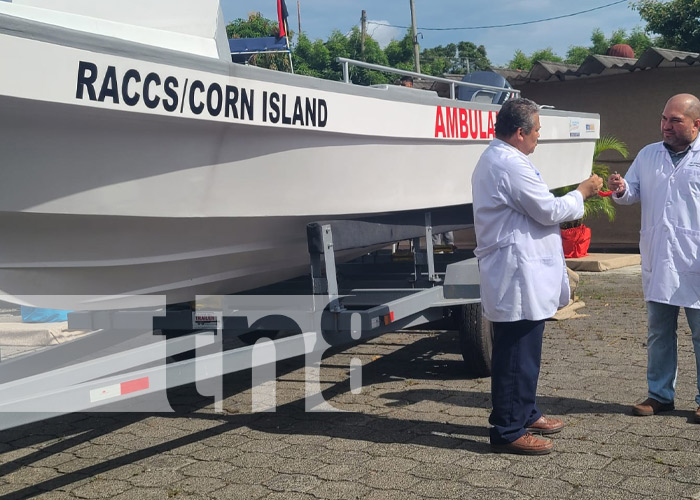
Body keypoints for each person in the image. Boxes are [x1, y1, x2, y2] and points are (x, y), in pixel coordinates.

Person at [471, 97, 602, 455]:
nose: (539, 137)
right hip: (515, 273)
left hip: (520, 271)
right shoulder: (508, 164)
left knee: (527, 350)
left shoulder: (506, 158)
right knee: (515, 353)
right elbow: (547, 210)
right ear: (519, 133)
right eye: (537, 131)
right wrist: (582, 192)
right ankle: (507, 429)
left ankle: (525, 412)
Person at [608, 93, 700, 424]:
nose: (666, 126)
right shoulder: (648, 155)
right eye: (664, 119)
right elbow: (630, 193)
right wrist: (620, 188)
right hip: (660, 259)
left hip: (696, 260)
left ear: (695, 124)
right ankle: (660, 395)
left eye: (675, 120)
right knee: (659, 331)